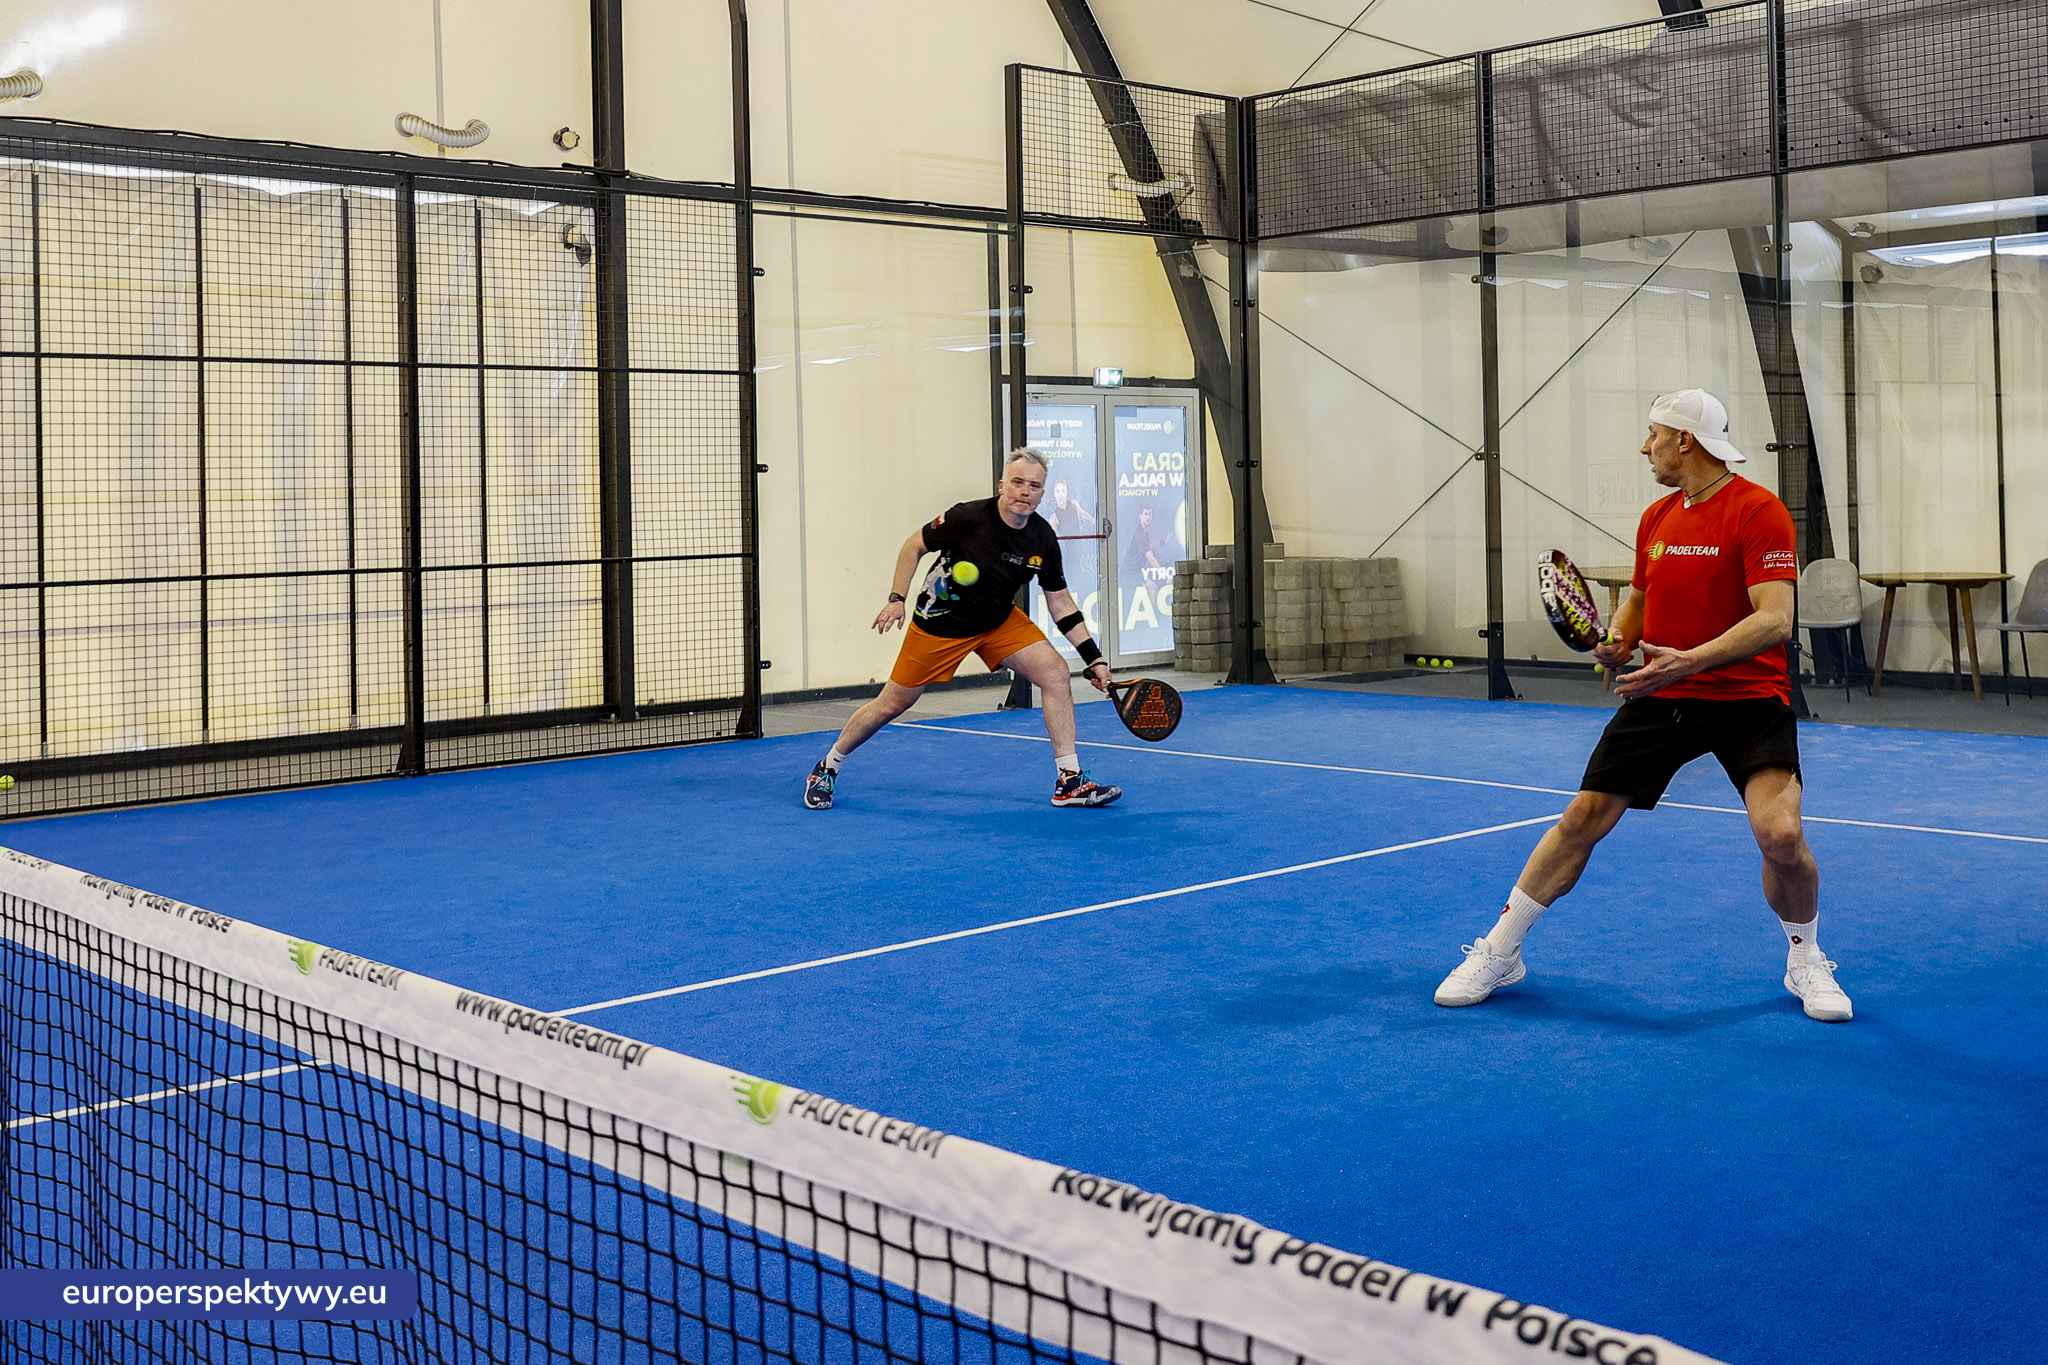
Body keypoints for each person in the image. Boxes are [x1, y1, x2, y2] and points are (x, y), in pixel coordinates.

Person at [1433, 389, 1852, 1022]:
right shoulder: (1658, 517)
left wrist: (1692, 658)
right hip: (1665, 695)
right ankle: (1500, 950)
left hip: (1747, 698)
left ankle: (1806, 958)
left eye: (1653, 433)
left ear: (1686, 440)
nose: (1644, 445)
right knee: (1582, 817)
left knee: (1782, 835)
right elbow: (1639, 597)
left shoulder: (1758, 512)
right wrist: (1622, 638)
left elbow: (1776, 620)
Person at [804, 449, 1122, 810]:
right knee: (893, 703)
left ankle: (1070, 781)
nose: (1025, 491)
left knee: (1055, 674)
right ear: (1002, 485)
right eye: (1017, 482)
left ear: (1042, 493)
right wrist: (897, 598)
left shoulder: (1042, 538)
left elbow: (1061, 604)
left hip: (997, 621)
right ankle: (827, 767)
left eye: (1034, 486)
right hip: (941, 624)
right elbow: (914, 546)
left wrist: (1094, 659)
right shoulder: (967, 517)